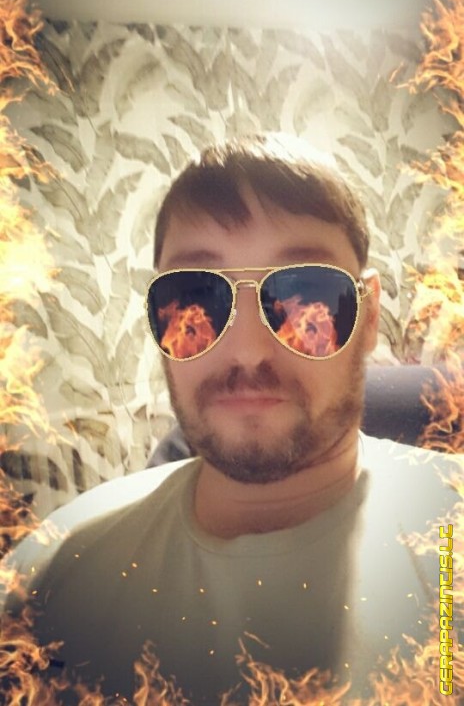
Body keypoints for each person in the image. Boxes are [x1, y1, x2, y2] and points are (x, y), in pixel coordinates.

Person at [2, 134, 460, 704]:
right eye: (195, 298)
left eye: (307, 297)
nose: (247, 352)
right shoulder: (49, 577)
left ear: (368, 318)